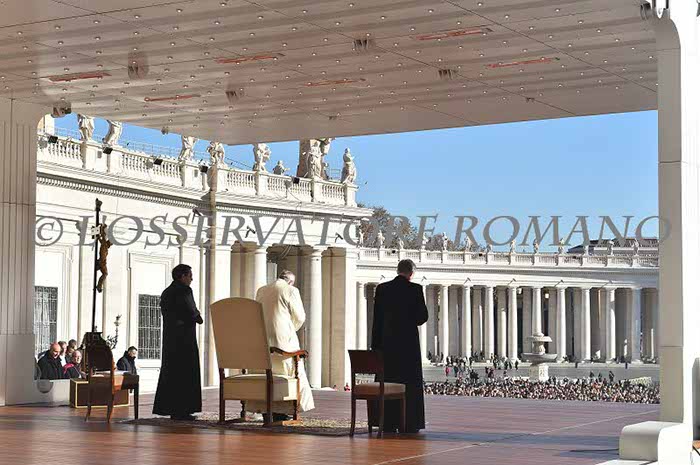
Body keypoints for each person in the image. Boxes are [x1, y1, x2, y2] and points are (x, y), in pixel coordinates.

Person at [371, 259, 429, 433]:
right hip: (408, 346)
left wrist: (375, 347)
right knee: (409, 385)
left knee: (388, 380)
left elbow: (376, 320)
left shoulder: (382, 289)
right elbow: (422, 317)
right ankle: (410, 423)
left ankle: (387, 422)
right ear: (411, 274)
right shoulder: (415, 289)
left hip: (386, 345)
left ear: (398, 271)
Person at [250, 270, 315, 422]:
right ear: (290, 282)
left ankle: (265, 409)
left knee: (265, 372)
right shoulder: (291, 290)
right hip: (284, 340)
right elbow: (300, 317)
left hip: (263, 337)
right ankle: (284, 410)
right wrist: (289, 328)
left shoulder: (262, 290)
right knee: (288, 372)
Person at [153, 264, 204, 420]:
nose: (191, 279)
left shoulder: (167, 292)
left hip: (170, 339)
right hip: (184, 338)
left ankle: (172, 409)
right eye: (189, 275)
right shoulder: (184, 290)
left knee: (171, 372)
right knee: (185, 373)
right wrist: (198, 317)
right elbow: (192, 310)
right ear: (182, 276)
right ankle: (183, 410)